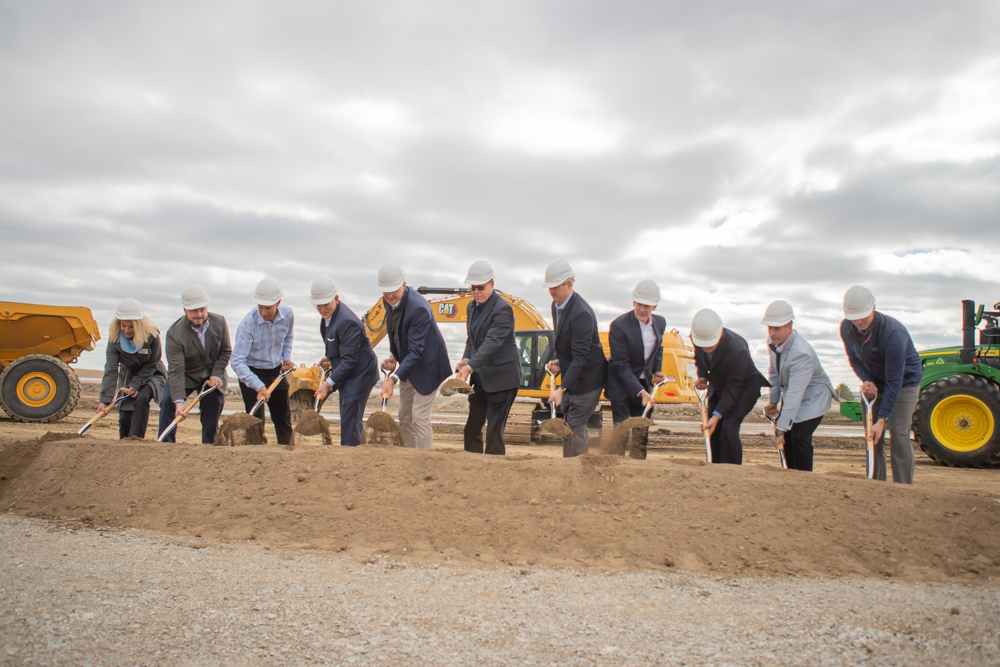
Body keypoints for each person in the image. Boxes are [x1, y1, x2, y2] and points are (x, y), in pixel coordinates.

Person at [840, 285, 922, 484]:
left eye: (863, 316)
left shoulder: (893, 333)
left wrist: (883, 419)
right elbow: (855, 361)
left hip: (904, 383)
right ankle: (876, 484)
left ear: (873, 308)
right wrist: (867, 380)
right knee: (871, 434)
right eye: (854, 317)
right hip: (875, 381)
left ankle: (903, 487)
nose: (859, 321)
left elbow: (895, 381)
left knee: (899, 433)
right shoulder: (846, 328)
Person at [378, 262, 452, 449]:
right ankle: (409, 457)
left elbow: (417, 351)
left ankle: (424, 460)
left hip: (428, 366)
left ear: (404, 284)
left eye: (393, 290)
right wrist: (393, 356)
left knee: (419, 416)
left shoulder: (417, 307)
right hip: (409, 365)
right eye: (385, 292)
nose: (389, 296)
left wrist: (392, 379)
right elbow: (397, 332)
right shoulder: (390, 301)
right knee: (404, 416)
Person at [455, 260, 522, 455]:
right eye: (473, 287)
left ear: (492, 284)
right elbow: (472, 340)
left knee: (494, 432)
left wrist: (471, 367)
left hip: (502, 379)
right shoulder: (471, 307)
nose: (476, 291)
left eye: (481, 287)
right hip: (481, 379)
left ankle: (494, 475)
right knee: (472, 428)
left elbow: (492, 343)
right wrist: (466, 360)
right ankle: (472, 466)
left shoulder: (503, 309)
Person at [543, 260, 608, 458]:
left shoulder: (582, 314)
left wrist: (561, 389)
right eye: (549, 288)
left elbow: (581, 357)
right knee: (569, 420)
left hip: (589, 378)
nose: (551, 292)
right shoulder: (557, 305)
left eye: (555, 287)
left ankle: (578, 468)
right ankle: (569, 466)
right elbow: (563, 339)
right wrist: (557, 359)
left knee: (575, 423)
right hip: (574, 373)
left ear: (569, 284)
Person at [761, 300, 835, 471]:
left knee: (799, 437)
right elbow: (774, 372)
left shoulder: (802, 353)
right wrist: (773, 401)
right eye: (770, 328)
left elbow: (795, 394)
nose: (772, 333)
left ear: (790, 326)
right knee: (788, 437)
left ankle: (804, 478)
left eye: (777, 328)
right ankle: (792, 476)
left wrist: (780, 430)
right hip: (795, 396)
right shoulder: (773, 342)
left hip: (813, 398)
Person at [691, 308, 768, 465]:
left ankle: (733, 469)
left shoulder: (737, 349)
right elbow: (699, 357)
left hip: (744, 388)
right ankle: (717, 466)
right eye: (703, 345)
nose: (706, 348)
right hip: (719, 386)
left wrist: (717, 415)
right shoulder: (698, 337)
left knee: (728, 426)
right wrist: (704, 376)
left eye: (710, 345)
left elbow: (734, 387)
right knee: (712, 428)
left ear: (719, 334)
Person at [157, 284, 231, 444]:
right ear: (185, 309)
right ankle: (165, 445)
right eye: (194, 311)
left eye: (202, 310)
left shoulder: (220, 322)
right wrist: (179, 403)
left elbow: (225, 351)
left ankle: (209, 444)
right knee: (167, 401)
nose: (199, 314)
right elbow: (176, 370)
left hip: (213, 376)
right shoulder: (174, 333)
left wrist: (216, 374)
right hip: (186, 375)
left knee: (213, 403)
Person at [311, 276, 379, 447]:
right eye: (318, 305)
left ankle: (351, 456)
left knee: (349, 415)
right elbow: (342, 347)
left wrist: (326, 385)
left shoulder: (347, 321)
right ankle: (355, 450)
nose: (322, 309)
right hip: (349, 370)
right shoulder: (328, 316)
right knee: (349, 415)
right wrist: (331, 357)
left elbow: (349, 361)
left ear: (336, 298)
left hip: (360, 374)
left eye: (326, 304)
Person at [230, 277, 295, 445]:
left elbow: (288, 337)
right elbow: (237, 361)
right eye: (260, 307)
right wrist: (258, 385)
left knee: (283, 418)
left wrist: (286, 358)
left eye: (268, 308)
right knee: (255, 422)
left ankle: (289, 453)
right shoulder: (248, 324)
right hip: (252, 373)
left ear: (278, 302)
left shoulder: (288, 315)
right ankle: (255, 456)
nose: (263, 312)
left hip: (276, 372)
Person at [606, 279, 666, 460]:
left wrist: (656, 371)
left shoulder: (660, 323)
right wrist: (641, 392)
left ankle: (638, 468)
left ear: (654, 306)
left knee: (642, 429)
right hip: (620, 383)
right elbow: (621, 365)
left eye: (647, 306)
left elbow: (658, 347)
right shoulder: (619, 326)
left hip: (643, 382)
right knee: (622, 427)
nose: (642, 309)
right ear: (633, 302)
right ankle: (615, 464)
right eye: (639, 304)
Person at [97, 298, 167, 439]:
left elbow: (153, 363)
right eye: (123, 326)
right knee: (125, 417)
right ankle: (124, 442)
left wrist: (136, 385)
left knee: (142, 398)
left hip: (152, 374)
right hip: (128, 376)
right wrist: (104, 400)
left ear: (139, 325)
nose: (126, 330)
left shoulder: (152, 335)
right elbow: (111, 370)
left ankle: (137, 439)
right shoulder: (114, 339)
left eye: (131, 327)